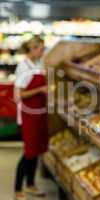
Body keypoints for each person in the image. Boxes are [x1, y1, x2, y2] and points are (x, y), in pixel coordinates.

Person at [13, 36, 48, 200]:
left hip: (38, 112)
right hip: (28, 114)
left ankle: (31, 184)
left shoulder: (36, 64)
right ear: (33, 49)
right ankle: (18, 189)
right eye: (41, 49)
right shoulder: (23, 67)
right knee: (28, 152)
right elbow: (20, 94)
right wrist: (40, 89)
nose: (43, 51)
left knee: (36, 151)